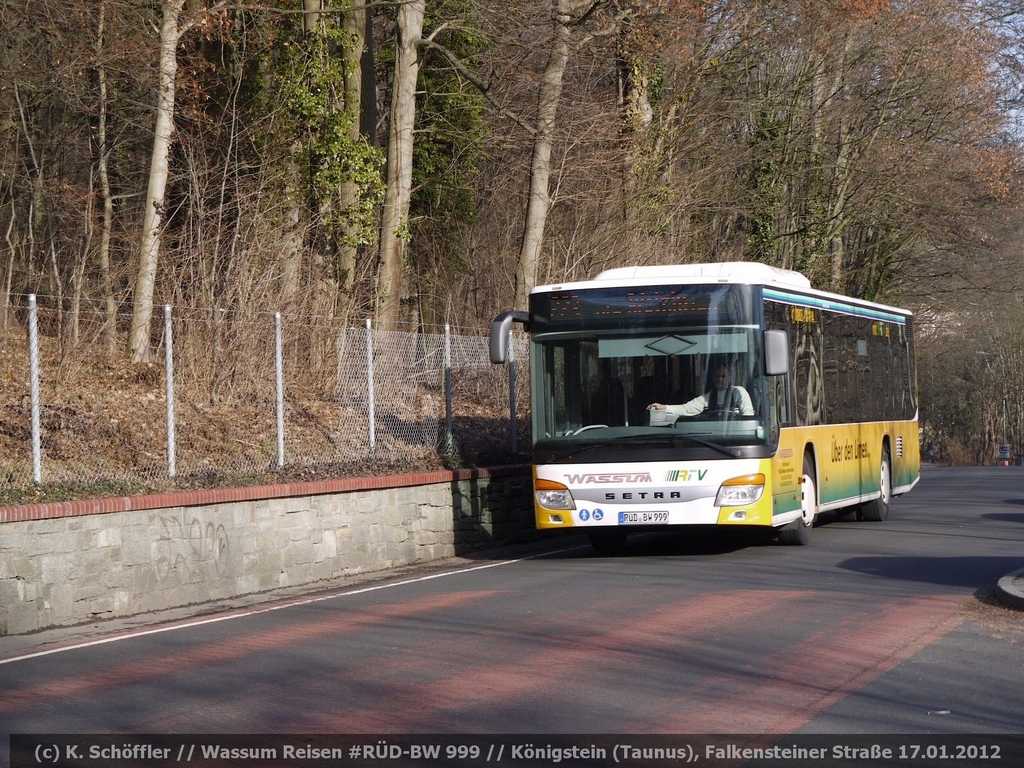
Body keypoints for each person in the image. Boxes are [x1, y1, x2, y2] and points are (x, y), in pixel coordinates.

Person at [648, 364, 754, 418]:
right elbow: (686, 409)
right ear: (713, 378)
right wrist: (664, 407)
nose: (720, 379)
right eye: (717, 376)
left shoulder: (739, 392)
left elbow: (748, 413)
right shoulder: (706, 398)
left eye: (723, 376)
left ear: (729, 378)